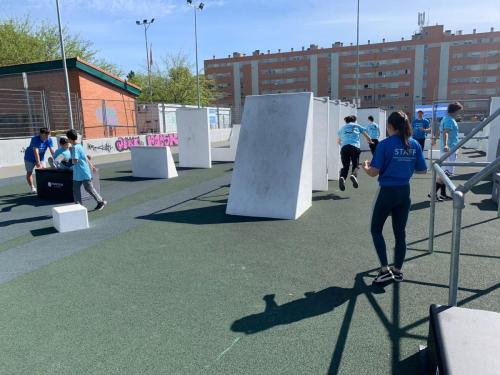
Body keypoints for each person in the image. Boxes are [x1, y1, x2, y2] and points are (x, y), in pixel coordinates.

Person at [362, 111, 427, 284]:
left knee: (376, 230)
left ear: (390, 126)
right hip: (404, 192)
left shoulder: (384, 144)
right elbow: (422, 170)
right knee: (400, 233)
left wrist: (366, 166)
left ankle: (384, 270)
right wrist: (405, 165)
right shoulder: (414, 144)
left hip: (387, 192)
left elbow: (373, 173)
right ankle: (397, 271)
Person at [65, 129, 107, 210]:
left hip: (82, 172)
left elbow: (75, 161)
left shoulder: (74, 148)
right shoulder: (78, 145)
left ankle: (100, 201)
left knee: (89, 188)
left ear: (69, 138)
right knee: (77, 190)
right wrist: (92, 166)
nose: (66, 139)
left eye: (67, 138)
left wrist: (67, 161)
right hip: (79, 172)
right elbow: (84, 157)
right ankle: (79, 207)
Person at [337, 115, 372, 191]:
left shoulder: (342, 128)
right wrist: (370, 141)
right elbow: (366, 135)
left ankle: (342, 177)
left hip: (344, 148)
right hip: (354, 147)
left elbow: (338, 141)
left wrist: (343, 145)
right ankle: (353, 175)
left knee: (345, 166)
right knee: (355, 165)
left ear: (346, 121)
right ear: (354, 120)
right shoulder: (357, 126)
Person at [24, 127, 55, 193]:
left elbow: (52, 151)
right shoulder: (34, 139)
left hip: (41, 158)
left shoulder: (49, 139)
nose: (47, 137)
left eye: (48, 135)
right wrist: (38, 163)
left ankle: (44, 186)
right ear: (40, 134)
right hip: (29, 158)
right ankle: (32, 187)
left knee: (44, 172)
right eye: (45, 135)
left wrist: (56, 159)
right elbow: (36, 152)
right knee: (29, 172)